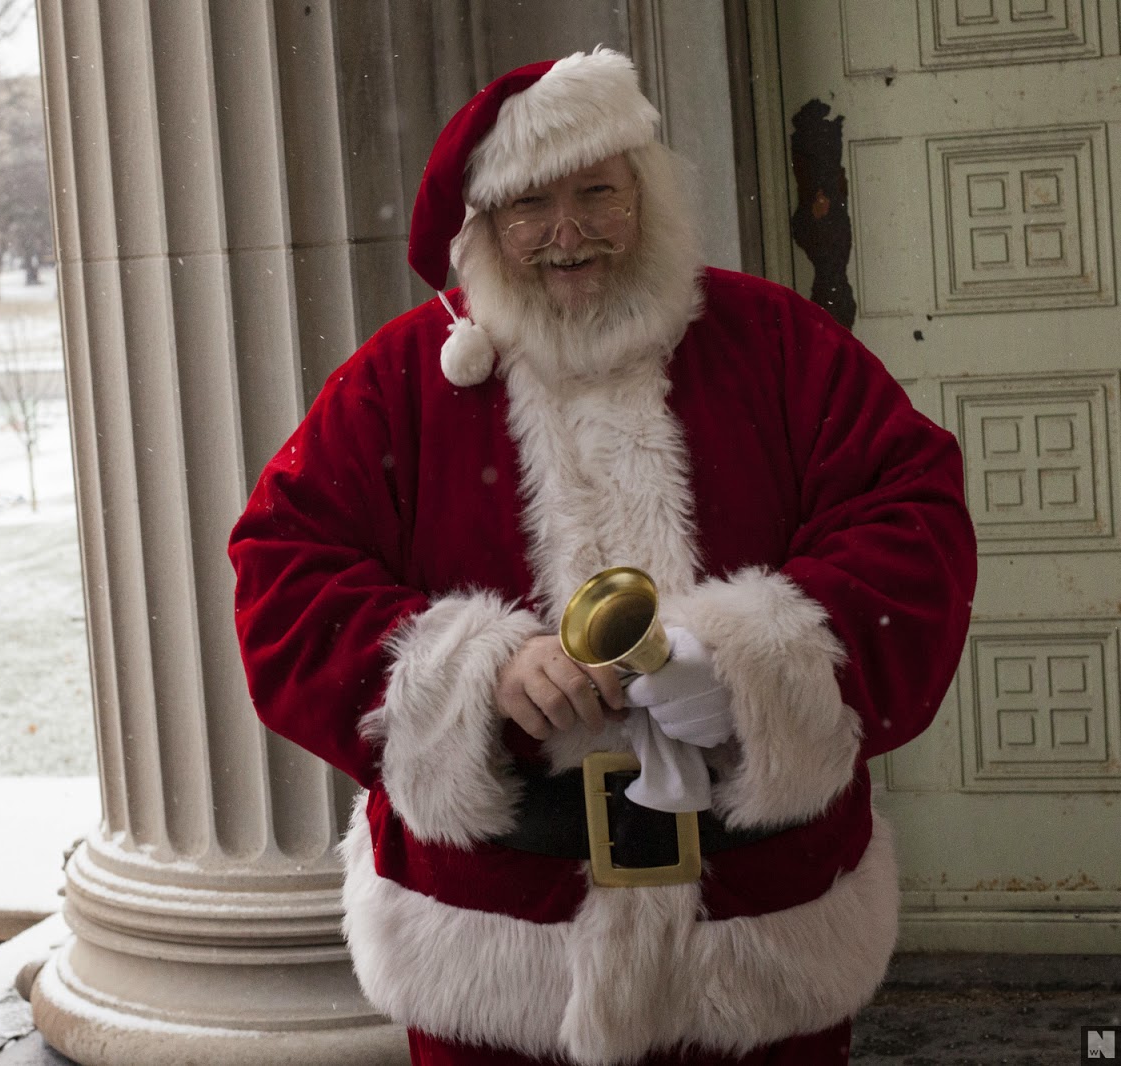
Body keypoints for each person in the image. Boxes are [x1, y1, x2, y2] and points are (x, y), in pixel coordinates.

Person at [228, 48, 975, 1066]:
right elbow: (284, 567)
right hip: (498, 941)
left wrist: (746, 659)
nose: (568, 233)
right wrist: (477, 668)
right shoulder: (399, 377)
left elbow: (911, 514)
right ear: (483, 227)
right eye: (529, 206)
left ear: (646, 194)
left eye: (598, 194)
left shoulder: (774, 341)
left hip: (756, 927)